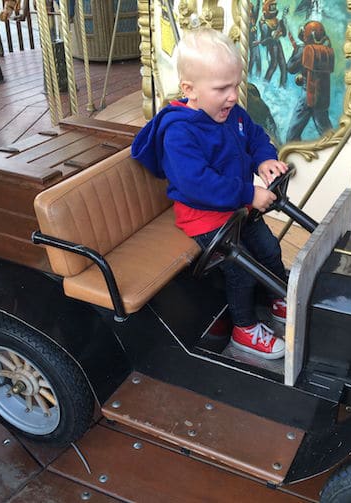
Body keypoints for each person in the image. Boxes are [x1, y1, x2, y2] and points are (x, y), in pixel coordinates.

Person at [132, 28, 288, 360]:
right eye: (221, 88)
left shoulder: (231, 114)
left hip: (236, 210)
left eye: (235, 85)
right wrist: (248, 194)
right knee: (240, 269)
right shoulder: (179, 133)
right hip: (205, 219)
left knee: (269, 248)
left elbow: (255, 135)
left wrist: (265, 160)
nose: (233, 96)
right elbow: (197, 185)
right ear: (190, 89)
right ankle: (244, 329)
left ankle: (278, 297)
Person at [286, 21, 334, 142]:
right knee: (327, 132)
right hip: (322, 96)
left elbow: (290, 67)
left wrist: (296, 52)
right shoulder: (327, 50)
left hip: (308, 95)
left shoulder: (305, 50)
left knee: (292, 134)